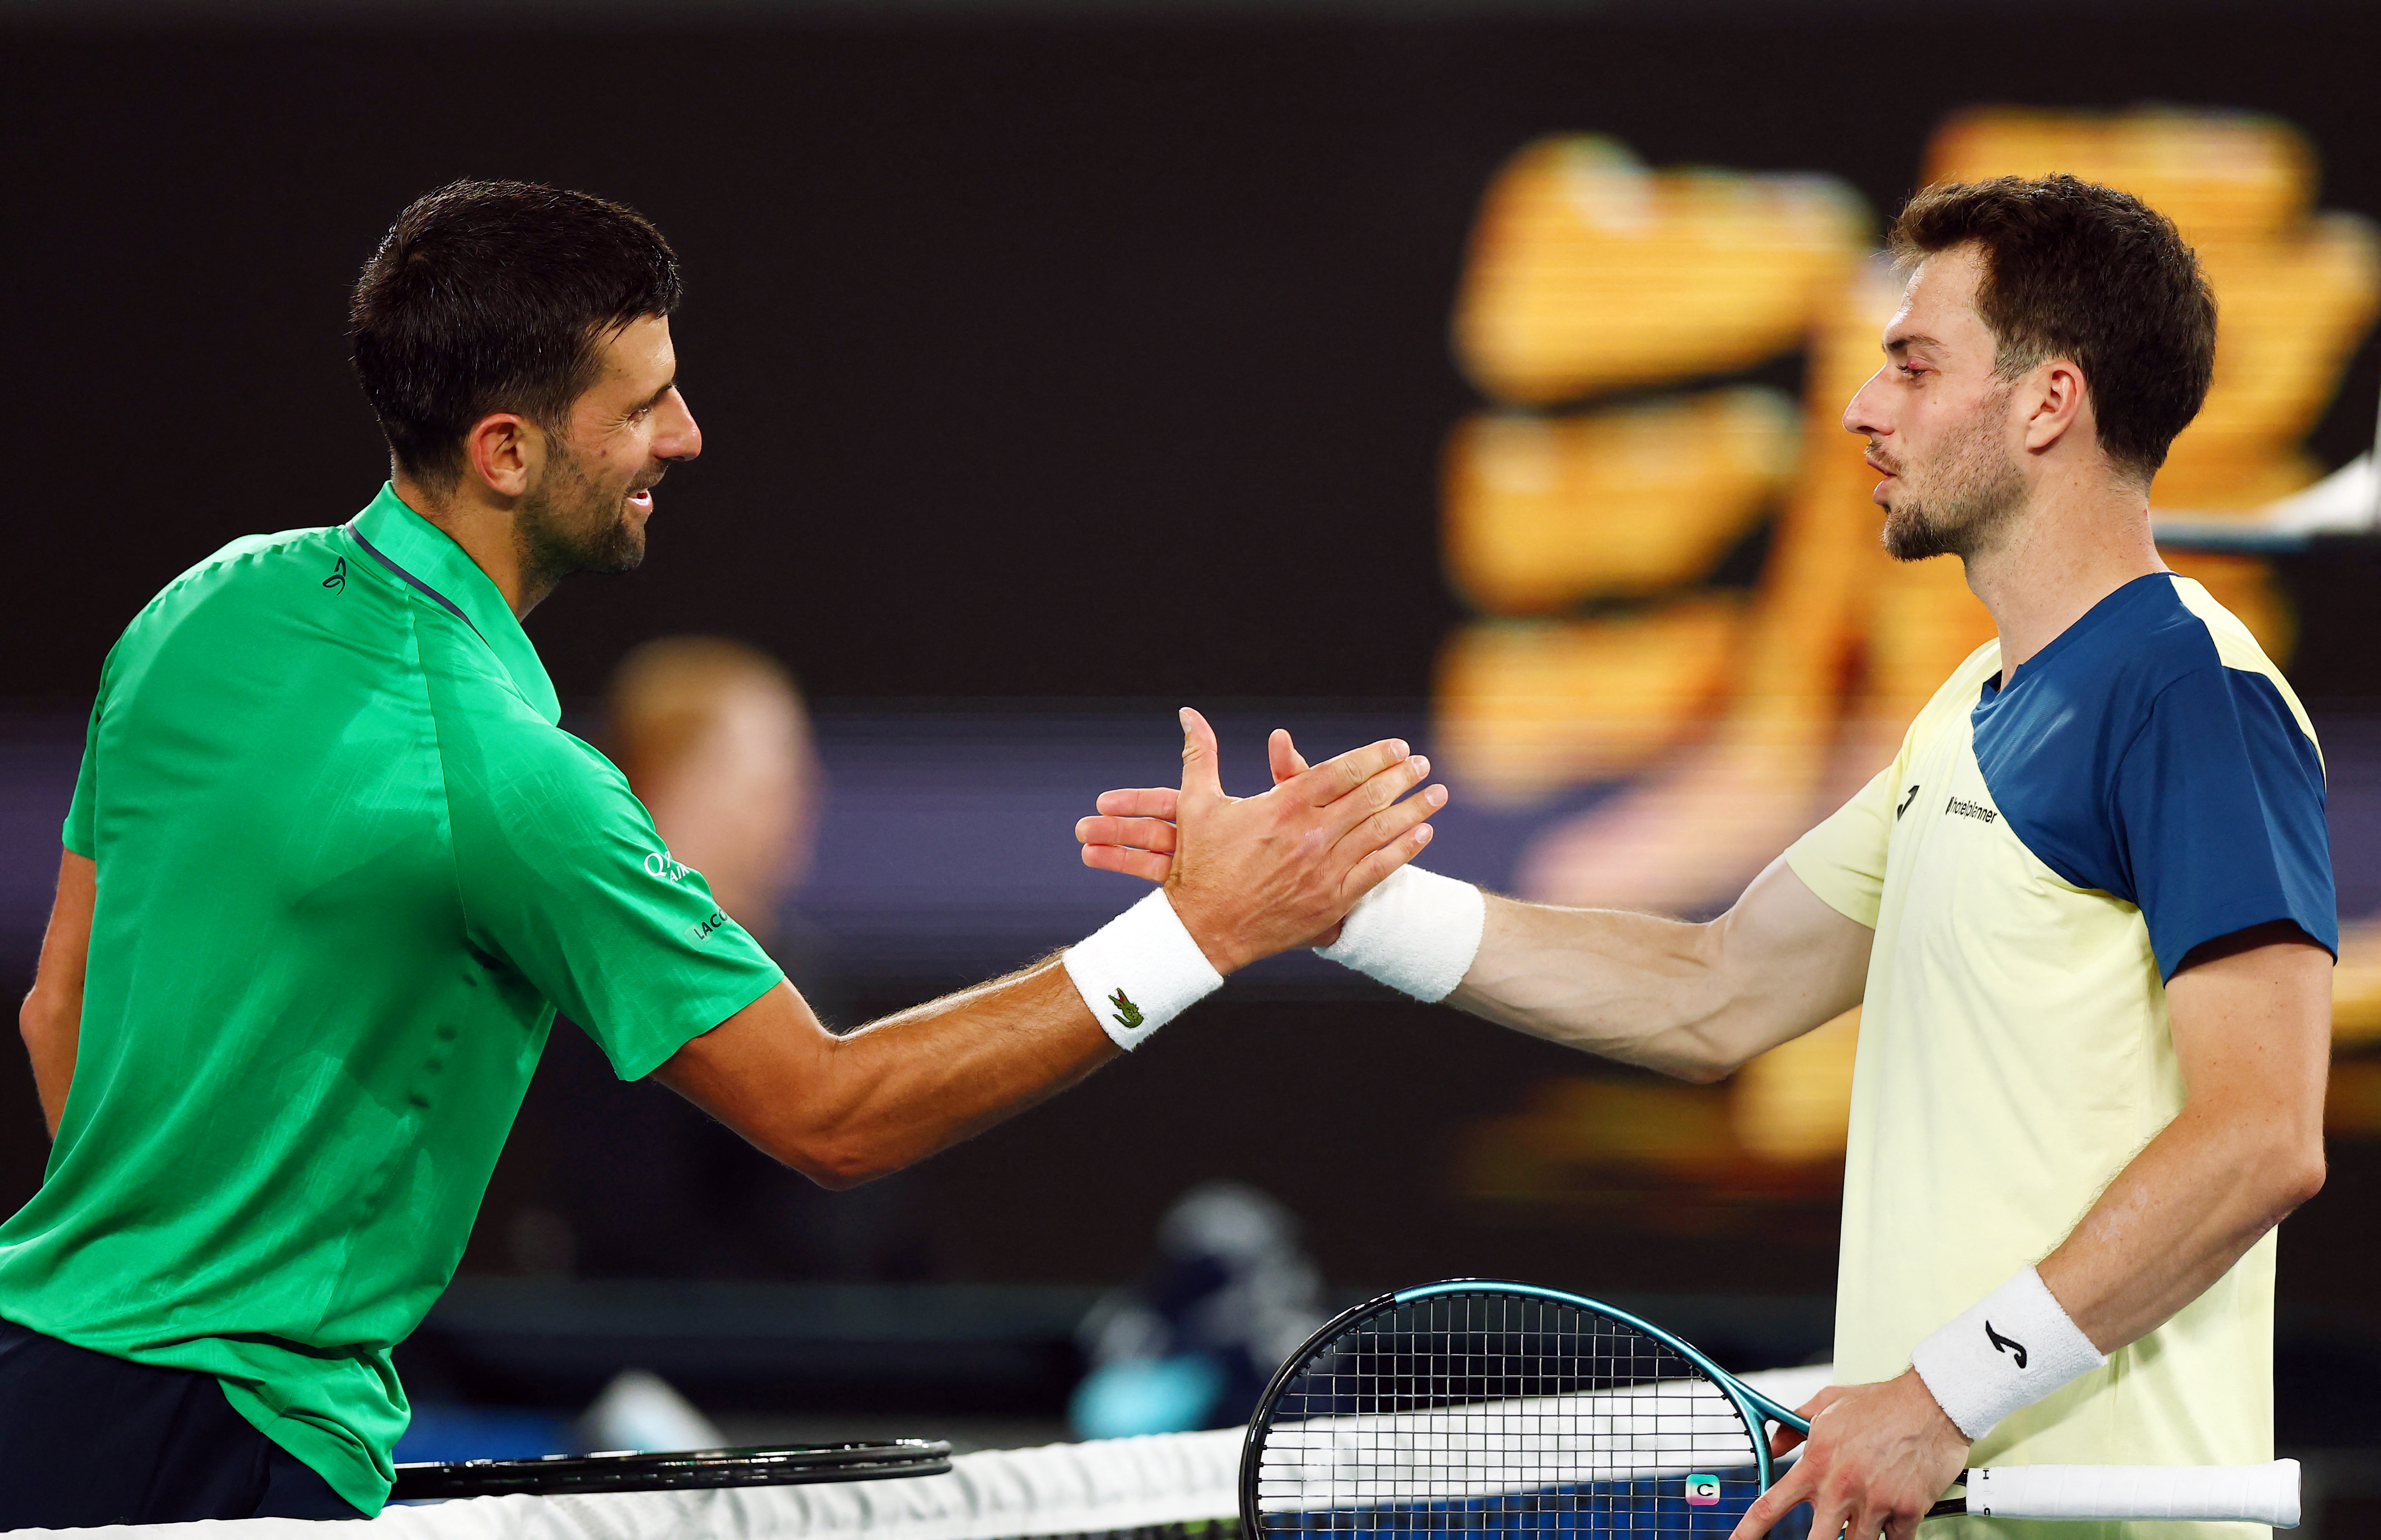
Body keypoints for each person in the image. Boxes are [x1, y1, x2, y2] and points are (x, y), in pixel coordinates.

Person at [4, 180, 1447, 1526]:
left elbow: (56, 1011)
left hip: (39, 1377)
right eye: (641, 406)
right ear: (505, 449)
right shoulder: (513, 781)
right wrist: (1194, 932)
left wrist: (163, 1277)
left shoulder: (200, 612)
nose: (685, 435)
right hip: (222, 1454)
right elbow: (834, 1115)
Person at [1080, 176, 2335, 1540]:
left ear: (2048, 403)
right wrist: (1351, 904)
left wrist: (1936, 1401)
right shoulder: (1969, 710)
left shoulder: (2188, 694)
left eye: (1913, 365)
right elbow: (1712, 986)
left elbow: (2259, 1136)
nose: (1863, 407)